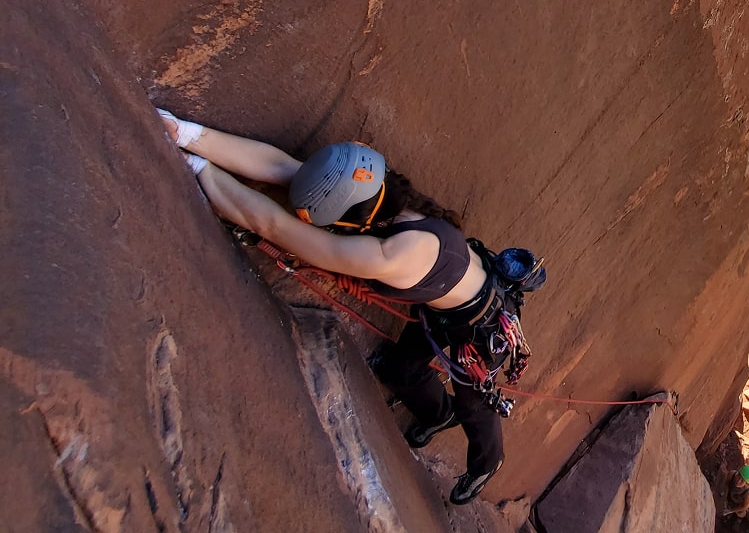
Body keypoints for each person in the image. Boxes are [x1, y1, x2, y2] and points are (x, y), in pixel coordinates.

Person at [157, 109, 541, 505]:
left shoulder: (391, 255)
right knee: (400, 370)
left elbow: (272, 226)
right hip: (445, 302)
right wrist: (185, 133)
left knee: (475, 405)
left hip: (479, 330)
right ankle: (435, 415)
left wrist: (196, 165)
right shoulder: (383, 188)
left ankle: (486, 464)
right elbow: (284, 168)